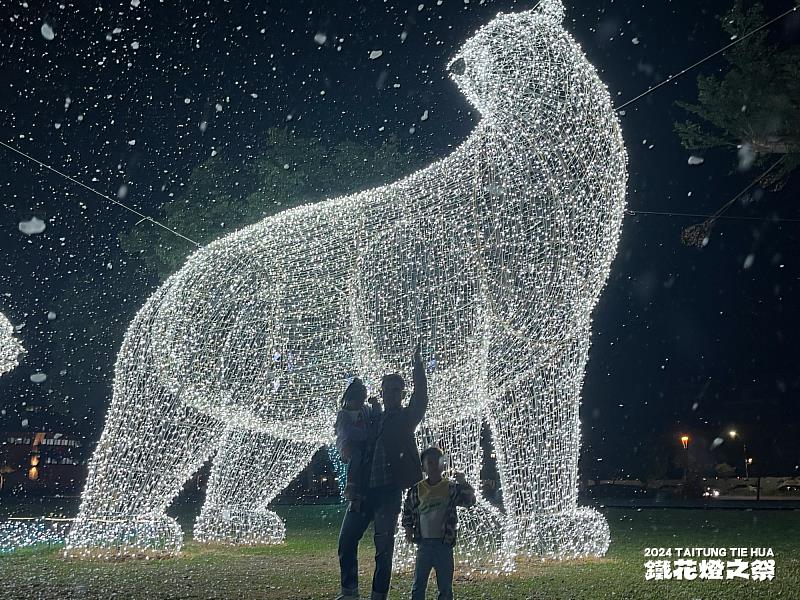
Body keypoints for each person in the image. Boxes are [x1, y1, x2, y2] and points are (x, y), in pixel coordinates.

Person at [336, 342, 428, 600]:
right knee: (346, 541)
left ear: (401, 393)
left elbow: (421, 398)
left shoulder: (405, 418)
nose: (390, 394)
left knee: (384, 548)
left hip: (388, 493)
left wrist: (417, 365)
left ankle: (379, 596)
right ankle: (349, 592)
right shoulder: (373, 419)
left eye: (395, 390)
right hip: (364, 492)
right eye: (386, 390)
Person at [402, 446, 476, 600]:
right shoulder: (417, 490)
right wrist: (408, 529)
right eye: (430, 463)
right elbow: (408, 510)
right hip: (424, 544)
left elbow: (469, 501)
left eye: (437, 462)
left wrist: (463, 483)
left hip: (444, 544)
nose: (434, 466)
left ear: (442, 465)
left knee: (445, 587)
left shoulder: (450, 488)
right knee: (418, 585)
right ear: (424, 466)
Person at [334, 377, 382, 509]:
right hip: (348, 444)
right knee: (356, 457)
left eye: (362, 401)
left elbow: (376, 417)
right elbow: (347, 432)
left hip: (364, 444)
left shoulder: (364, 409)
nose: (360, 404)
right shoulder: (344, 414)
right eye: (357, 401)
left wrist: (376, 405)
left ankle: (360, 494)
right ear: (349, 400)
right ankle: (351, 484)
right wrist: (367, 434)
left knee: (365, 462)